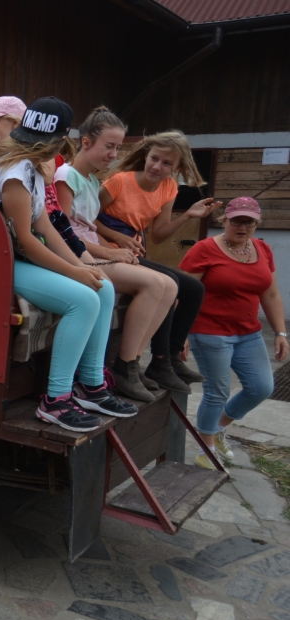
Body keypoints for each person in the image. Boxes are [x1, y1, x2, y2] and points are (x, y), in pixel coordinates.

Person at [0, 97, 137, 431]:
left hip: (11, 255)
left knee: (103, 287)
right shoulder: (16, 173)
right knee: (83, 300)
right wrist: (75, 272)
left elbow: (46, 227)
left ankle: (91, 384)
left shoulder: (31, 168)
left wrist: (82, 265)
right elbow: (27, 240)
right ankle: (56, 399)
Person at [53, 108, 178, 401]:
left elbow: (89, 228)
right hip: (75, 256)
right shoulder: (66, 176)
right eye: (109, 146)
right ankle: (122, 366)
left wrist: (116, 250)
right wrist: (111, 253)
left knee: (171, 286)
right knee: (154, 283)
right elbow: (63, 232)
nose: (114, 154)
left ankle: (132, 362)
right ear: (86, 142)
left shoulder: (92, 181)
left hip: (92, 251)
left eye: (118, 148)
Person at [97, 131, 222, 392]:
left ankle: (167, 359)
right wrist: (115, 236)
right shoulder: (119, 181)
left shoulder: (169, 188)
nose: (157, 167)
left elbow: (158, 235)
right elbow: (84, 217)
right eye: (154, 158)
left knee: (194, 288)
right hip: (103, 250)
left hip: (130, 254)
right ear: (146, 155)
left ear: (177, 167)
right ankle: (149, 361)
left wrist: (187, 216)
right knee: (169, 282)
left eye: (167, 163)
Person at [180, 197, 288, 468]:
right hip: (210, 331)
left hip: (249, 333)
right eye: (236, 221)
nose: (242, 227)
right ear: (223, 220)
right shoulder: (204, 249)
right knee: (217, 391)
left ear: (257, 223)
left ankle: (218, 428)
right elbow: (182, 294)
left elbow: (270, 294)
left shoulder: (262, 248)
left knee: (261, 387)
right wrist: (179, 334)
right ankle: (205, 451)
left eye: (249, 222)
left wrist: (281, 332)